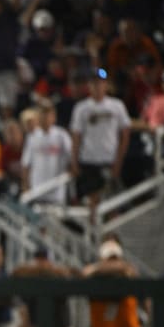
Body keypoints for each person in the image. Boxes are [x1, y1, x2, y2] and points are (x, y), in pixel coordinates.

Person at [83, 236, 149, 327]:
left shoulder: (128, 274)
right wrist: (99, 268)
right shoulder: (94, 277)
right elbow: (84, 273)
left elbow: (128, 271)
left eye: (115, 258)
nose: (113, 263)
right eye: (110, 258)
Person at [70, 68, 131, 220]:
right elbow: (76, 136)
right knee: (93, 202)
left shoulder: (117, 106)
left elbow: (125, 134)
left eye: (100, 82)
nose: (97, 86)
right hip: (89, 160)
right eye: (93, 83)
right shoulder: (81, 108)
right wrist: (74, 161)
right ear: (89, 85)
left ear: (106, 84)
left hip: (109, 159)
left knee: (112, 203)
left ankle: (111, 238)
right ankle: (94, 237)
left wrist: (119, 161)